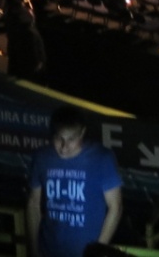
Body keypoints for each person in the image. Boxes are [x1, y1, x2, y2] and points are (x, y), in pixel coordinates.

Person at [27, 107, 123, 257]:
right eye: (59, 139)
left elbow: (115, 208)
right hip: (48, 251)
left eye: (71, 139)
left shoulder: (103, 158)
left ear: (82, 132)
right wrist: (34, 250)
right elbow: (33, 203)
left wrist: (96, 252)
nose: (64, 147)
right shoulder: (42, 157)